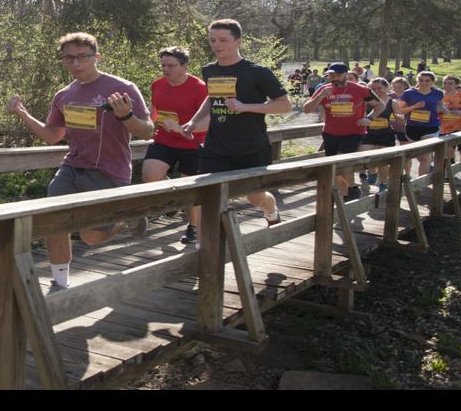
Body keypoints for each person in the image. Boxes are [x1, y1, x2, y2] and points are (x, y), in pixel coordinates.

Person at [7, 31, 154, 292]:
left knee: (91, 236)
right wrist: (23, 114)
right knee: (55, 221)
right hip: (72, 167)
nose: (76, 64)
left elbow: (147, 132)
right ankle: (59, 282)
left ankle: (127, 215)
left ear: (96, 57)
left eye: (82, 57)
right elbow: (53, 136)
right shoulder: (64, 95)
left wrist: (126, 116)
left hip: (110, 171)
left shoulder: (122, 88)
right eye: (69, 58)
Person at [164, 18, 292, 236]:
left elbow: (284, 105)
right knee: (208, 195)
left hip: (251, 145)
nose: (217, 45)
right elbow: (211, 98)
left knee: (255, 197)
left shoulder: (257, 72)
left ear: (238, 41)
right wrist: (194, 121)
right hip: (216, 146)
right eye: (212, 40)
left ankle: (270, 210)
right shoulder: (209, 70)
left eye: (223, 40)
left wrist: (245, 107)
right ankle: (203, 248)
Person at [141, 46, 209, 245]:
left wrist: (183, 129)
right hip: (164, 139)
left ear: (184, 66)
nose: (165, 69)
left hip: (193, 143)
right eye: (163, 65)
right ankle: (172, 198)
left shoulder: (199, 87)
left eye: (171, 65)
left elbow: (210, 120)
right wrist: (146, 121)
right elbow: (155, 110)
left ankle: (193, 227)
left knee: (190, 190)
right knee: (149, 175)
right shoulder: (157, 84)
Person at [300, 62, 376, 201]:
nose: (334, 78)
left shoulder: (360, 89)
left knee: (340, 163)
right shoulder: (324, 89)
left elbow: (380, 106)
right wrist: (321, 96)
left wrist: (368, 118)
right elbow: (306, 109)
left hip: (354, 133)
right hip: (331, 133)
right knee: (334, 169)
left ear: (346, 74)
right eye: (332, 75)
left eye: (338, 75)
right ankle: (350, 190)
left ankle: (347, 194)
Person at [396, 70, 444, 177]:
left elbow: (440, 106)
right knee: (418, 155)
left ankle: (420, 185)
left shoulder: (438, 93)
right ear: (417, 80)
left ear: (432, 82)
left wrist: (442, 109)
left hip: (431, 127)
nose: (424, 83)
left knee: (425, 157)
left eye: (427, 81)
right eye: (421, 80)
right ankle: (418, 177)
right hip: (413, 127)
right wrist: (414, 107)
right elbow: (399, 110)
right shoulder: (409, 93)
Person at [360, 76, 397, 206]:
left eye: (379, 88)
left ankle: (383, 183)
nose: (376, 91)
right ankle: (373, 172)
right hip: (369, 132)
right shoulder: (367, 101)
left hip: (385, 133)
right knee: (365, 156)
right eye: (373, 88)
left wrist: (399, 118)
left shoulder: (392, 102)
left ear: (386, 88)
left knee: (383, 161)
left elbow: (399, 118)